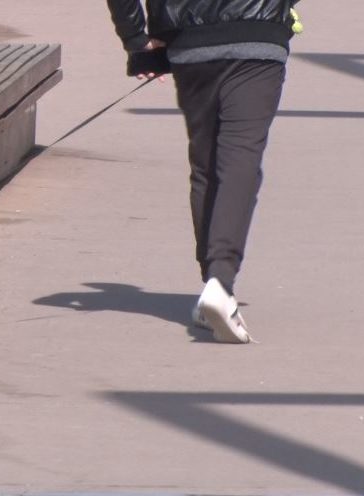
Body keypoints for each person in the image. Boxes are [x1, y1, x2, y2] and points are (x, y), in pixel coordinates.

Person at [106, 0, 302, 343]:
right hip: (259, 40)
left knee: (206, 163)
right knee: (241, 158)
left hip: (191, 44)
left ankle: (213, 283)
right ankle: (220, 281)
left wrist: (137, 40)